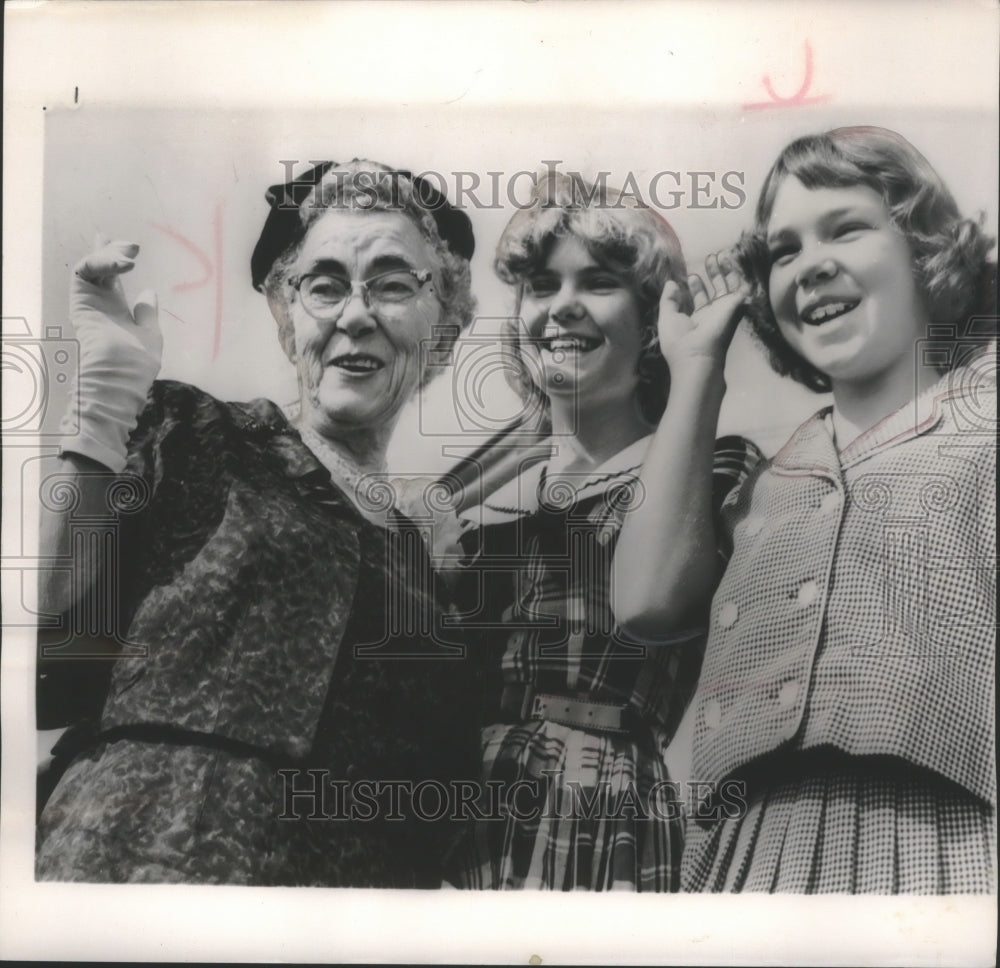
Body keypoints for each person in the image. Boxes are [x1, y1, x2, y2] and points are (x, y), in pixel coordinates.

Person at [35, 160, 484, 887]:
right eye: (325, 284)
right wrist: (102, 407)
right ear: (286, 314)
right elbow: (46, 629)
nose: (356, 313)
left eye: (396, 284)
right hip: (136, 866)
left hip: (342, 914)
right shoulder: (197, 435)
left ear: (448, 328)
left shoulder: (430, 567)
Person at [614, 126, 997, 893]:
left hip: (942, 845)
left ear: (924, 248)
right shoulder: (767, 481)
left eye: (847, 228)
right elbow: (646, 602)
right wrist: (696, 365)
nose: (810, 264)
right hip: (745, 858)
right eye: (782, 251)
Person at [446, 172, 760, 890]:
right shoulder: (470, 498)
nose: (563, 308)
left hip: (596, 805)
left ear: (653, 320)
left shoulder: (709, 469)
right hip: (453, 804)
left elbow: (659, 603)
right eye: (540, 286)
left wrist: (698, 370)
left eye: (598, 282)